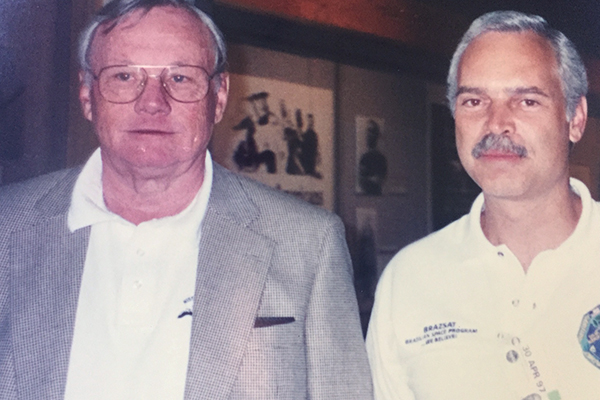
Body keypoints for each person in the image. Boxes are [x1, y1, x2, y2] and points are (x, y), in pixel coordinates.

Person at [0, 1, 373, 399]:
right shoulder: (8, 227)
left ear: (219, 96)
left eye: (180, 78)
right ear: (88, 95)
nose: (153, 102)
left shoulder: (308, 244)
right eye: (124, 76)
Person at [367, 10, 600, 400]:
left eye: (526, 101)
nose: (496, 124)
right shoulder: (408, 281)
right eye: (474, 100)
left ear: (575, 118)